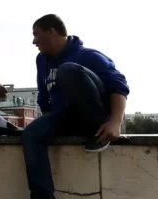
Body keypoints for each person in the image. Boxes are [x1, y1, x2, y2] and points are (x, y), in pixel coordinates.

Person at [22, 14, 129, 198]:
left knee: (68, 70)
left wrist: (115, 122)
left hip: (92, 116)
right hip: (64, 117)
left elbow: (119, 86)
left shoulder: (88, 56)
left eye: (36, 35)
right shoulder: (42, 60)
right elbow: (43, 95)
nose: (34, 41)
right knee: (31, 133)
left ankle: (96, 130)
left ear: (51, 32)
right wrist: (46, 123)